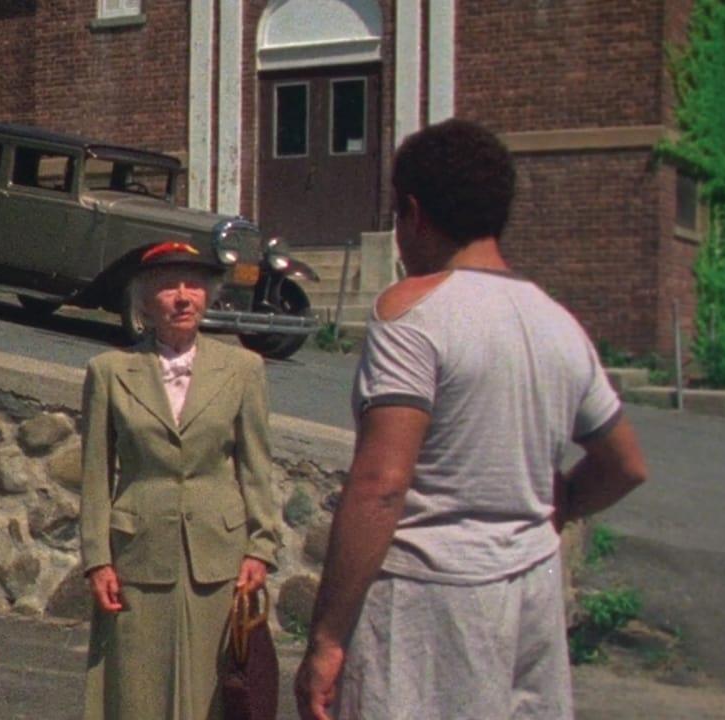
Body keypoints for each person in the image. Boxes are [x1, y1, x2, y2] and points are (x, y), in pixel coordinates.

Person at [294, 119, 649, 720]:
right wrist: (558, 502)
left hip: (429, 601)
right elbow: (626, 465)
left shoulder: (413, 312)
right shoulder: (556, 321)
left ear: (414, 213)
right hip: (530, 593)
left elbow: (382, 484)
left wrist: (327, 638)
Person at [79, 242, 282, 720]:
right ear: (145, 302)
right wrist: (97, 560)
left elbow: (256, 465)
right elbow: (94, 472)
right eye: (169, 286)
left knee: (215, 690)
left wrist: (261, 546)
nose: (183, 297)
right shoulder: (108, 373)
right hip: (137, 554)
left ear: (209, 297)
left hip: (219, 557)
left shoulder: (243, 369)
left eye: (193, 285)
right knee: (136, 686)